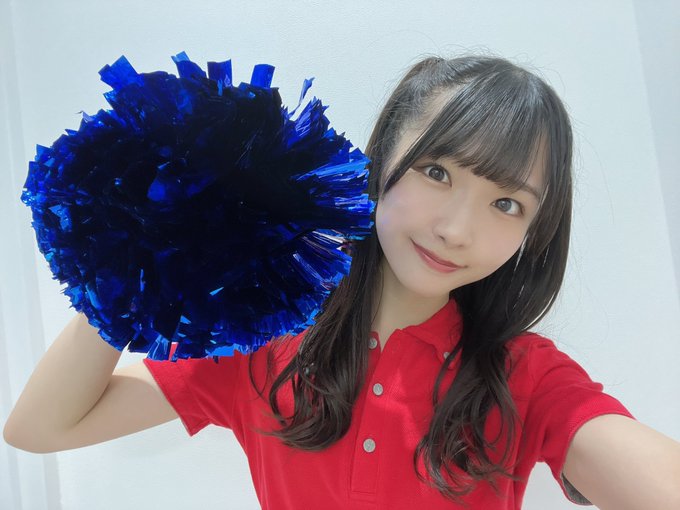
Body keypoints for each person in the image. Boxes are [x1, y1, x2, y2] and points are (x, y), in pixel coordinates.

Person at [4, 54, 680, 510]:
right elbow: (39, 427)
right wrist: (137, 265)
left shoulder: (523, 375)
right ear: (381, 160)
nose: (456, 229)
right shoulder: (263, 330)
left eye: (507, 204)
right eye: (437, 172)